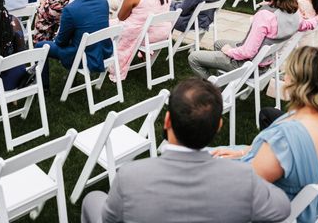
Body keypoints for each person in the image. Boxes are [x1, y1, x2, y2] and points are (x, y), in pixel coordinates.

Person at [81, 78, 291, 223]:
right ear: (218, 126)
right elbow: (282, 208)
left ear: (167, 120)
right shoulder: (244, 177)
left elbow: (109, 219)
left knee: (92, 199)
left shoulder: (129, 176)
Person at [212, 46, 318, 223]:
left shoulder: (287, 137)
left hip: (275, 207)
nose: (284, 77)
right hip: (304, 200)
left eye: (287, 73)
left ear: (296, 82)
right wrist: (243, 152)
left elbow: (245, 189)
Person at [189, 0, 307, 80]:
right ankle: (225, 79)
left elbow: (247, 52)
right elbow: (305, 25)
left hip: (248, 65)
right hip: (265, 62)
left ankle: (215, 88)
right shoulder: (295, 13)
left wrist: (229, 51)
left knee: (193, 58)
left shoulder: (265, 16)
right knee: (218, 43)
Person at [36, 0, 112, 91]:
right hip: (104, 50)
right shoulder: (103, 2)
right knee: (76, 39)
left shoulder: (70, 9)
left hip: (83, 56)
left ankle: (43, 88)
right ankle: (71, 78)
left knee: (40, 45)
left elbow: (61, 42)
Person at [109, 0, 171, 81]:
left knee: (110, 27)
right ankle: (143, 53)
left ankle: (108, 61)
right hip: (162, 33)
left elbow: (121, 17)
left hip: (144, 35)